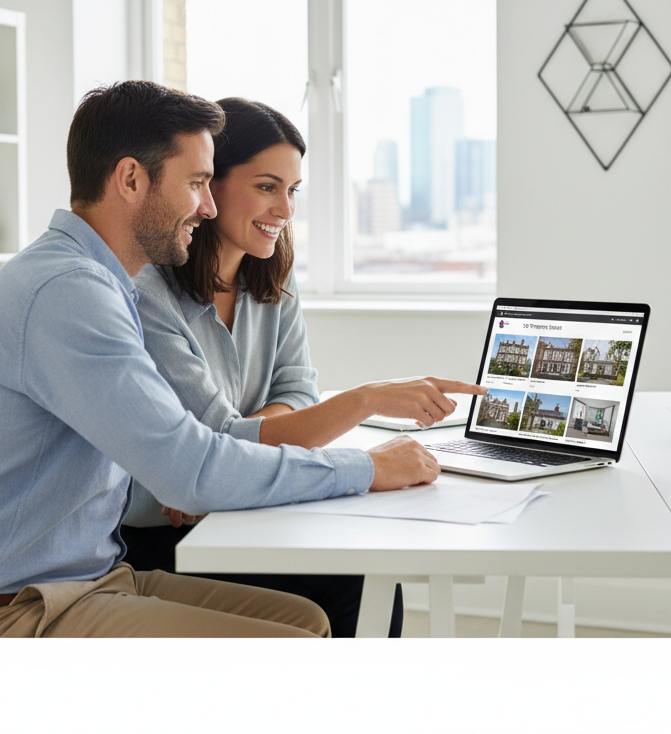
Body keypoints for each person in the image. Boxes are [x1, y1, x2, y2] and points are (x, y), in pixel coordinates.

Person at [0, 81, 443, 638]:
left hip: (89, 580)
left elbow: (187, 457)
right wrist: (366, 468)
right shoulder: (69, 293)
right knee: (296, 642)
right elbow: (192, 470)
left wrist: (196, 470)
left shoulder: (99, 282)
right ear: (131, 179)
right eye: (196, 183)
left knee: (309, 618)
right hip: (13, 611)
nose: (207, 206)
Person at [122, 96, 486, 636]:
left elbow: (294, 390)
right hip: (161, 533)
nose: (285, 211)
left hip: (241, 502)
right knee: (351, 588)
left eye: (292, 191)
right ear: (210, 185)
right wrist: (366, 400)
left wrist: (244, 444)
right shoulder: (149, 295)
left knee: (369, 577)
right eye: (267, 187)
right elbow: (213, 446)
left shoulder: (271, 275)